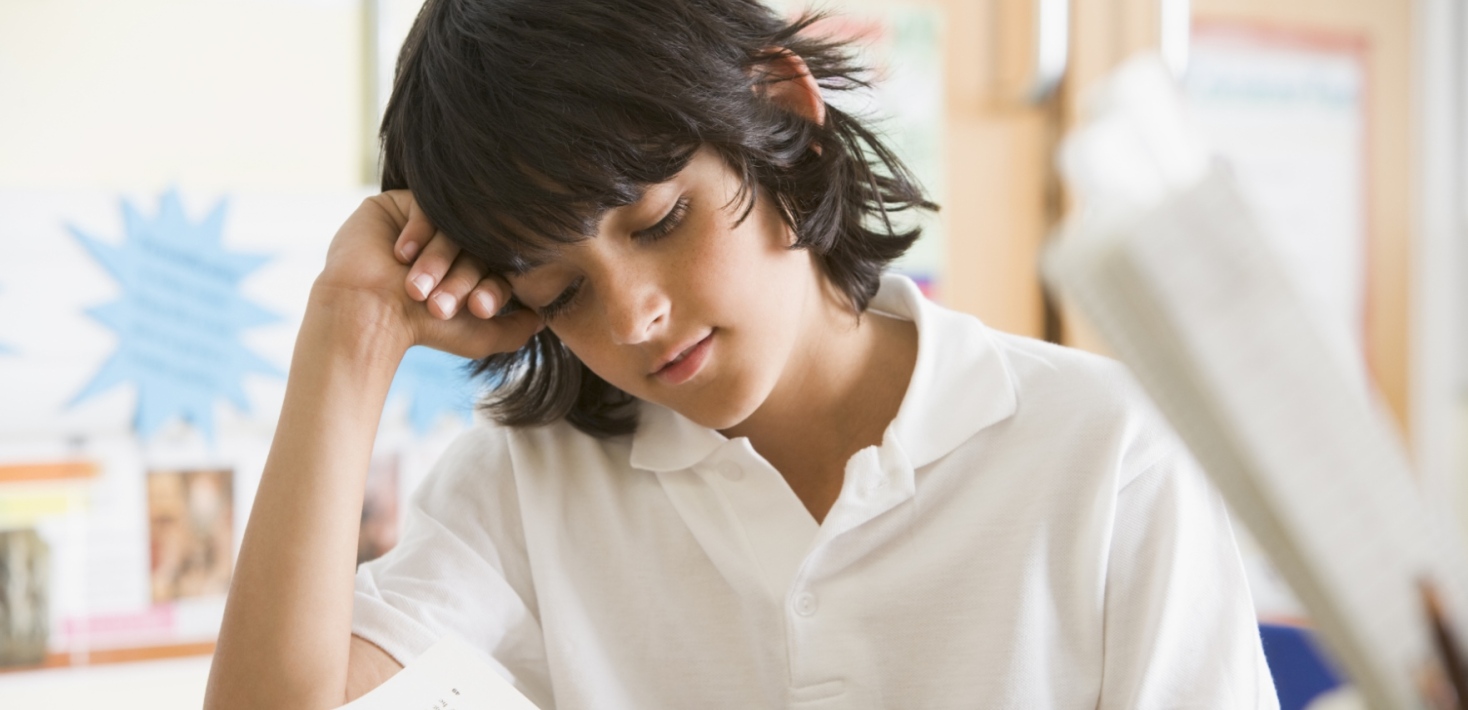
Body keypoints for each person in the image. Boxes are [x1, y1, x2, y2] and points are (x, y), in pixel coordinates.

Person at [204, 0, 1278, 708]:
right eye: (561, 291)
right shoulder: (527, 484)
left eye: (660, 222)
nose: (633, 319)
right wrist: (350, 330)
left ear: (782, 113)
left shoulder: (1109, 449)